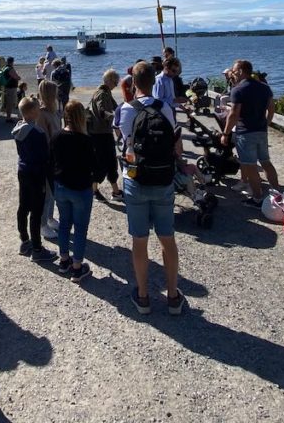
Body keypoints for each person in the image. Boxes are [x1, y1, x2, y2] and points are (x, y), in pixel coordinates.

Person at [118, 61, 184, 316]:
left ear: (134, 83)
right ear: (152, 82)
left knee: (140, 240)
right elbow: (175, 141)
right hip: (163, 178)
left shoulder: (125, 109)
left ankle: (144, 297)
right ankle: (173, 295)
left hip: (135, 179)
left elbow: (125, 142)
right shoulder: (165, 107)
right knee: (167, 239)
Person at [221, 59, 279, 204]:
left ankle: (257, 198)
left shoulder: (238, 90)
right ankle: (278, 195)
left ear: (240, 71)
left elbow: (234, 114)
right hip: (261, 130)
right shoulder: (264, 87)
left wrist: (225, 133)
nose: (233, 74)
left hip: (245, 132)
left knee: (250, 166)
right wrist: (267, 123)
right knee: (266, 162)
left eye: (234, 71)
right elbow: (271, 108)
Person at [50, 100, 96, 282]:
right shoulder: (86, 140)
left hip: (61, 186)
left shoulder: (56, 136)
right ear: (80, 117)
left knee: (64, 224)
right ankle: (77, 267)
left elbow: (50, 161)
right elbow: (95, 165)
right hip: (80, 188)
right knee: (80, 228)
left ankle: (63, 260)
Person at [13, 98, 56, 262]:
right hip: (36, 173)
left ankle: (24, 241)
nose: (39, 111)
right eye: (37, 109)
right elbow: (45, 157)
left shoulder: (17, 129)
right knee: (37, 211)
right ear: (32, 112)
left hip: (23, 170)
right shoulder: (37, 133)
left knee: (23, 206)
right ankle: (37, 248)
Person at [89, 69, 122, 201]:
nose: (116, 84)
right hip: (98, 134)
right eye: (115, 81)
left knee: (111, 162)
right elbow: (102, 111)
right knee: (101, 163)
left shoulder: (107, 93)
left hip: (105, 133)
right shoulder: (101, 94)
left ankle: (115, 192)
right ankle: (94, 190)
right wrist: (115, 118)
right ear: (108, 80)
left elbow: (117, 108)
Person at [36, 79, 62, 239]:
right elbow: (43, 138)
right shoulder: (42, 113)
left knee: (53, 191)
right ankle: (42, 224)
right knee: (45, 193)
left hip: (55, 157)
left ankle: (50, 218)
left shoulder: (54, 111)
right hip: (46, 158)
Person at [0, 57, 21, 124]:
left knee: (9, 102)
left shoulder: (5, 68)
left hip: (7, 87)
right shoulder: (10, 69)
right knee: (10, 103)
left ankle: (8, 116)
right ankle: (8, 118)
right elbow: (17, 77)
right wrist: (17, 75)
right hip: (11, 88)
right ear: (12, 62)